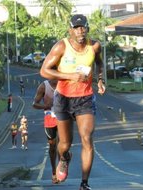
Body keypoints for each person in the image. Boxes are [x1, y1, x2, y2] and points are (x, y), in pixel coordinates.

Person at [40, 14, 106, 190]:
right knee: (65, 144)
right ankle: (64, 158)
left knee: (87, 138)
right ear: (70, 30)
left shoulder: (95, 46)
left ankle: (84, 184)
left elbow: (99, 63)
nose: (80, 31)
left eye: (83, 27)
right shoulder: (62, 46)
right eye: (76, 28)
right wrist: (69, 76)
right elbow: (44, 71)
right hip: (63, 99)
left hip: (85, 98)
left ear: (87, 28)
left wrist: (100, 79)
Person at [32, 79, 59, 184]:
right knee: (52, 146)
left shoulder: (64, 83)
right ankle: (54, 172)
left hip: (62, 116)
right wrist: (46, 106)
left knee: (63, 143)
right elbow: (34, 103)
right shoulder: (43, 86)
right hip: (50, 118)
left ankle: (63, 163)